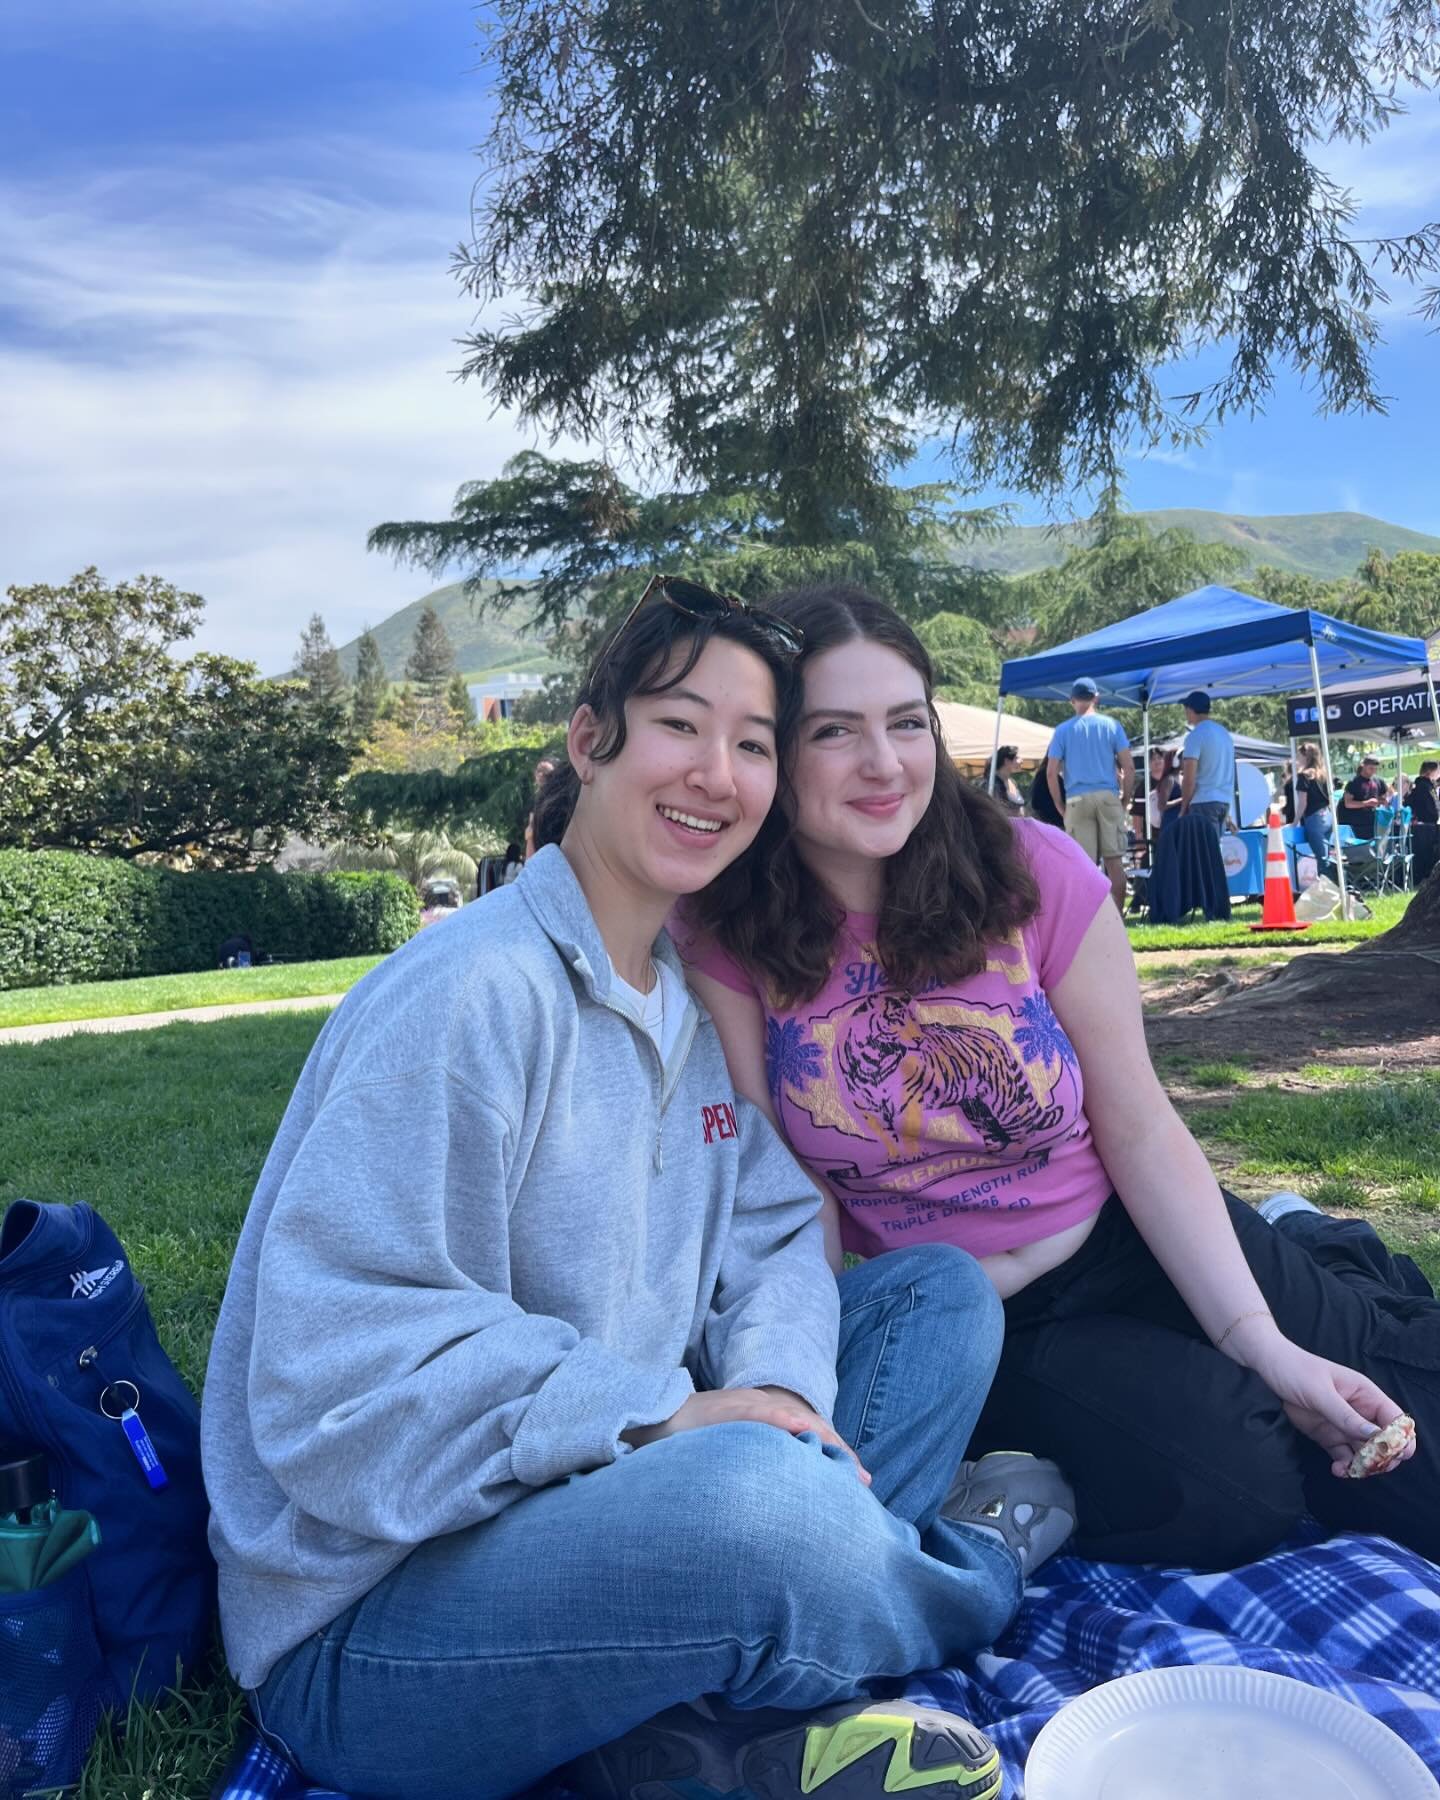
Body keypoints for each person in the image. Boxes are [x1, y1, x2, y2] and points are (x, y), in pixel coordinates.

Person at [202, 576, 1067, 1800]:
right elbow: (335, 1372)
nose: (716, 771)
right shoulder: (470, 996)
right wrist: (660, 1418)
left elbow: (771, 1230)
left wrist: (767, 1387)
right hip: (376, 1622)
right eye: (679, 723)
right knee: (758, 1509)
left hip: (603, 1496)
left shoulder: (675, 1000)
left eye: (755, 743)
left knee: (936, 1298)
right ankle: (968, 1573)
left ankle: (691, 1719)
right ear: (589, 739)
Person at [680, 584, 1436, 1577]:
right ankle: (1310, 1278)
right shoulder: (728, 933)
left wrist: (1260, 1337)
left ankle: (1317, 1255)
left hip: (1129, 1228)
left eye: (906, 723)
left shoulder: (1029, 871)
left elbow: (1137, 1123)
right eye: (833, 731)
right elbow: (789, 1190)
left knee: (1400, 1434)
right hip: (975, 1317)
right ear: (775, 747)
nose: (883, 764)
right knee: (1235, 1487)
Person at [1045, 678, 1135, 914]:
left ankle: (1089, 923)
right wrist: (1124, 800)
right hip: (1107, 796)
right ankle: (1117, 919)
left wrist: (1059, 804)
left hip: (1076, 799)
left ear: (1072, 701)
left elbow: (1051, 772)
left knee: (1083, 866)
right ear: (1096, 698)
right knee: (1115, 862)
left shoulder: (1063, 730)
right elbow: (1129, 766)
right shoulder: (1112, 726)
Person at [1178, 690, 1235, 840]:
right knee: (1215, 852)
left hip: (1203, 802)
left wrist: (1183, 808)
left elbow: (1189, 779)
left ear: (1190, 710)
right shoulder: (1224, 734)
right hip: (1224, 801)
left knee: (1204, 855)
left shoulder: (1195, 736)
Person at [1292, 742, 1333, 872]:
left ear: (1307, 757)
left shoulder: (1304, 775)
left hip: (1314, 819)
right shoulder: (1324, 774)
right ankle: (1334, 886)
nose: (1297, 759)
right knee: (1327, 857)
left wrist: (1295, 822)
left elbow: (1303, 803)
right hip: (1328, 816)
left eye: (1299, 756)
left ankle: (1329, 889)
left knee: (1322, 860)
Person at [1340, 754, 1385, 840]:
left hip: (1373, 823)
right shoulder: (1354, 782)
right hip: (1357, 825)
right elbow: (1348, 803)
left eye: (1376, 769)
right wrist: (1366, 803)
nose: (1373, 771)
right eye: (1371, 768)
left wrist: (1381, 801)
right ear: (1364, 766)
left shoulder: (1378, 781)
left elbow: (1383, 798)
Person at [1027, 753, 1065, 828]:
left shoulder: (1044, 775)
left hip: (1051, 822)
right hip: (1051, 822)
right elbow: (1036, 802)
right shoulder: (1044, 776)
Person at [985, 745, 1025, 814]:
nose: (1021, 761)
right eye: (1016, 758)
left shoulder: (1012, 782)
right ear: (1006, 761)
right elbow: (997, 810)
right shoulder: (992, 784)